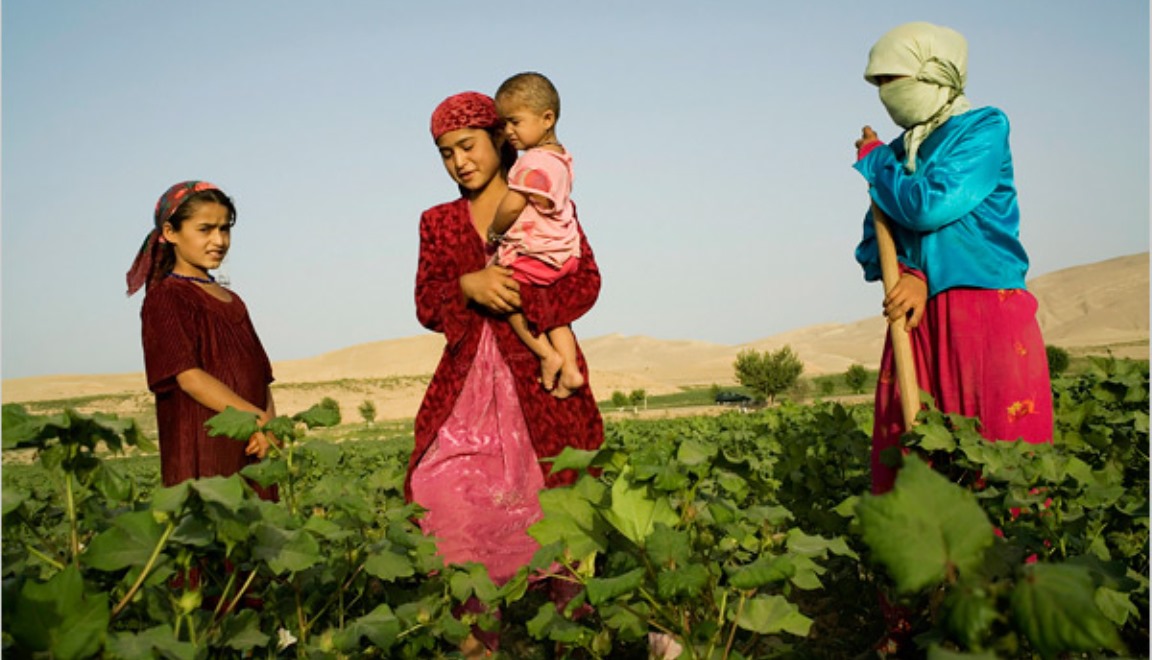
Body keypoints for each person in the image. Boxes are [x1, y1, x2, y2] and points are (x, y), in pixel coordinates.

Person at [407, 91, 604, 648]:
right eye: (446, 154)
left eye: (467, 146)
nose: (459, 162)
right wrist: (468, 287)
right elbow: (426, 303)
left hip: (542, 386)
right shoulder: (437, 222)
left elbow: (586, 279)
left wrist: (521, 299)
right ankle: (479, 644)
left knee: (557, 517)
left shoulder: (543, 195)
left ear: (499, 139)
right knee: (449, 506)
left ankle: (571, 640)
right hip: (465, 396)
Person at [852, 22, 1054, 497]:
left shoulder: (983, 128)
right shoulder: (898, 154)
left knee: (997, 460)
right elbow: (869, 251)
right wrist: (912, 273)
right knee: (916, 463)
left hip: (982, 308)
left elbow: (930, 205)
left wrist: (876, 161)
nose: (885, 94)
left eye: (893, 80)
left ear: (934, 74)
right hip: (914, 317)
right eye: (878, 84)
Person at [127, 180, 277, 500]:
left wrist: (269, 428)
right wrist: (257, 421)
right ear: (170, 232)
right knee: (213, 531)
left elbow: (261, 377)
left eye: (225, 229)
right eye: (205, 229)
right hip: (205, 441)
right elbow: (190, 378)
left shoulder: (232, 300)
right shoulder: (166, 298)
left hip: (254, 443)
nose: (219, 240)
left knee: (261, 536)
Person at [486, 72, 585, 397]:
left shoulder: (532, 163)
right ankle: (571, 371)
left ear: (547, 119)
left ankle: (547, 355)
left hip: (538, 255)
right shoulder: (561, 159)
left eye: (515, 122)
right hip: (564, 254)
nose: (509, 132)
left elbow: (513, 206)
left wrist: (495, 230)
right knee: (556, 317)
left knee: (506, 298)